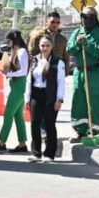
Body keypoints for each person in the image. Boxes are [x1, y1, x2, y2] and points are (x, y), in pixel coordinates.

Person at [67, 6, 99, 143]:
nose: (87, 20)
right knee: (79, 100)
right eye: (84, 17)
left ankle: (94, 129)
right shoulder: (77, 32)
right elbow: (69, 50)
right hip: (79, 71)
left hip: (94, 71)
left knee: (95, 100)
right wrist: (78, 44)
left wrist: (87, 43)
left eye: (90, 17)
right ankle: (80, 130)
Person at [26, 35, 65, 163]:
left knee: (49, 124)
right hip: (36, 94)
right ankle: (36, 152)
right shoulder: (35, 60)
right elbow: (29, 80)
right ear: (39, 46)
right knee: (34, 123)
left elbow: (61, 82)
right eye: (42, 45)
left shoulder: (58, 62)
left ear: (52, 46)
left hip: (50, 95)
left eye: (47, 45)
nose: (45, 48)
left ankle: (49, 153)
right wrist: (27, 98)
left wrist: (59, 99)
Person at [0, 30, 29, 153]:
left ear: (14, 40)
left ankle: (2, 142)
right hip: (16, 85)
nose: (8, 43)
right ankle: (22, 144)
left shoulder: (22, 52)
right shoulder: (16, 51)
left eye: (9, 40)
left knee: (8, 114)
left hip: (19, 86)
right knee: (18, 117)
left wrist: (8, 73)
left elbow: (23, 71)